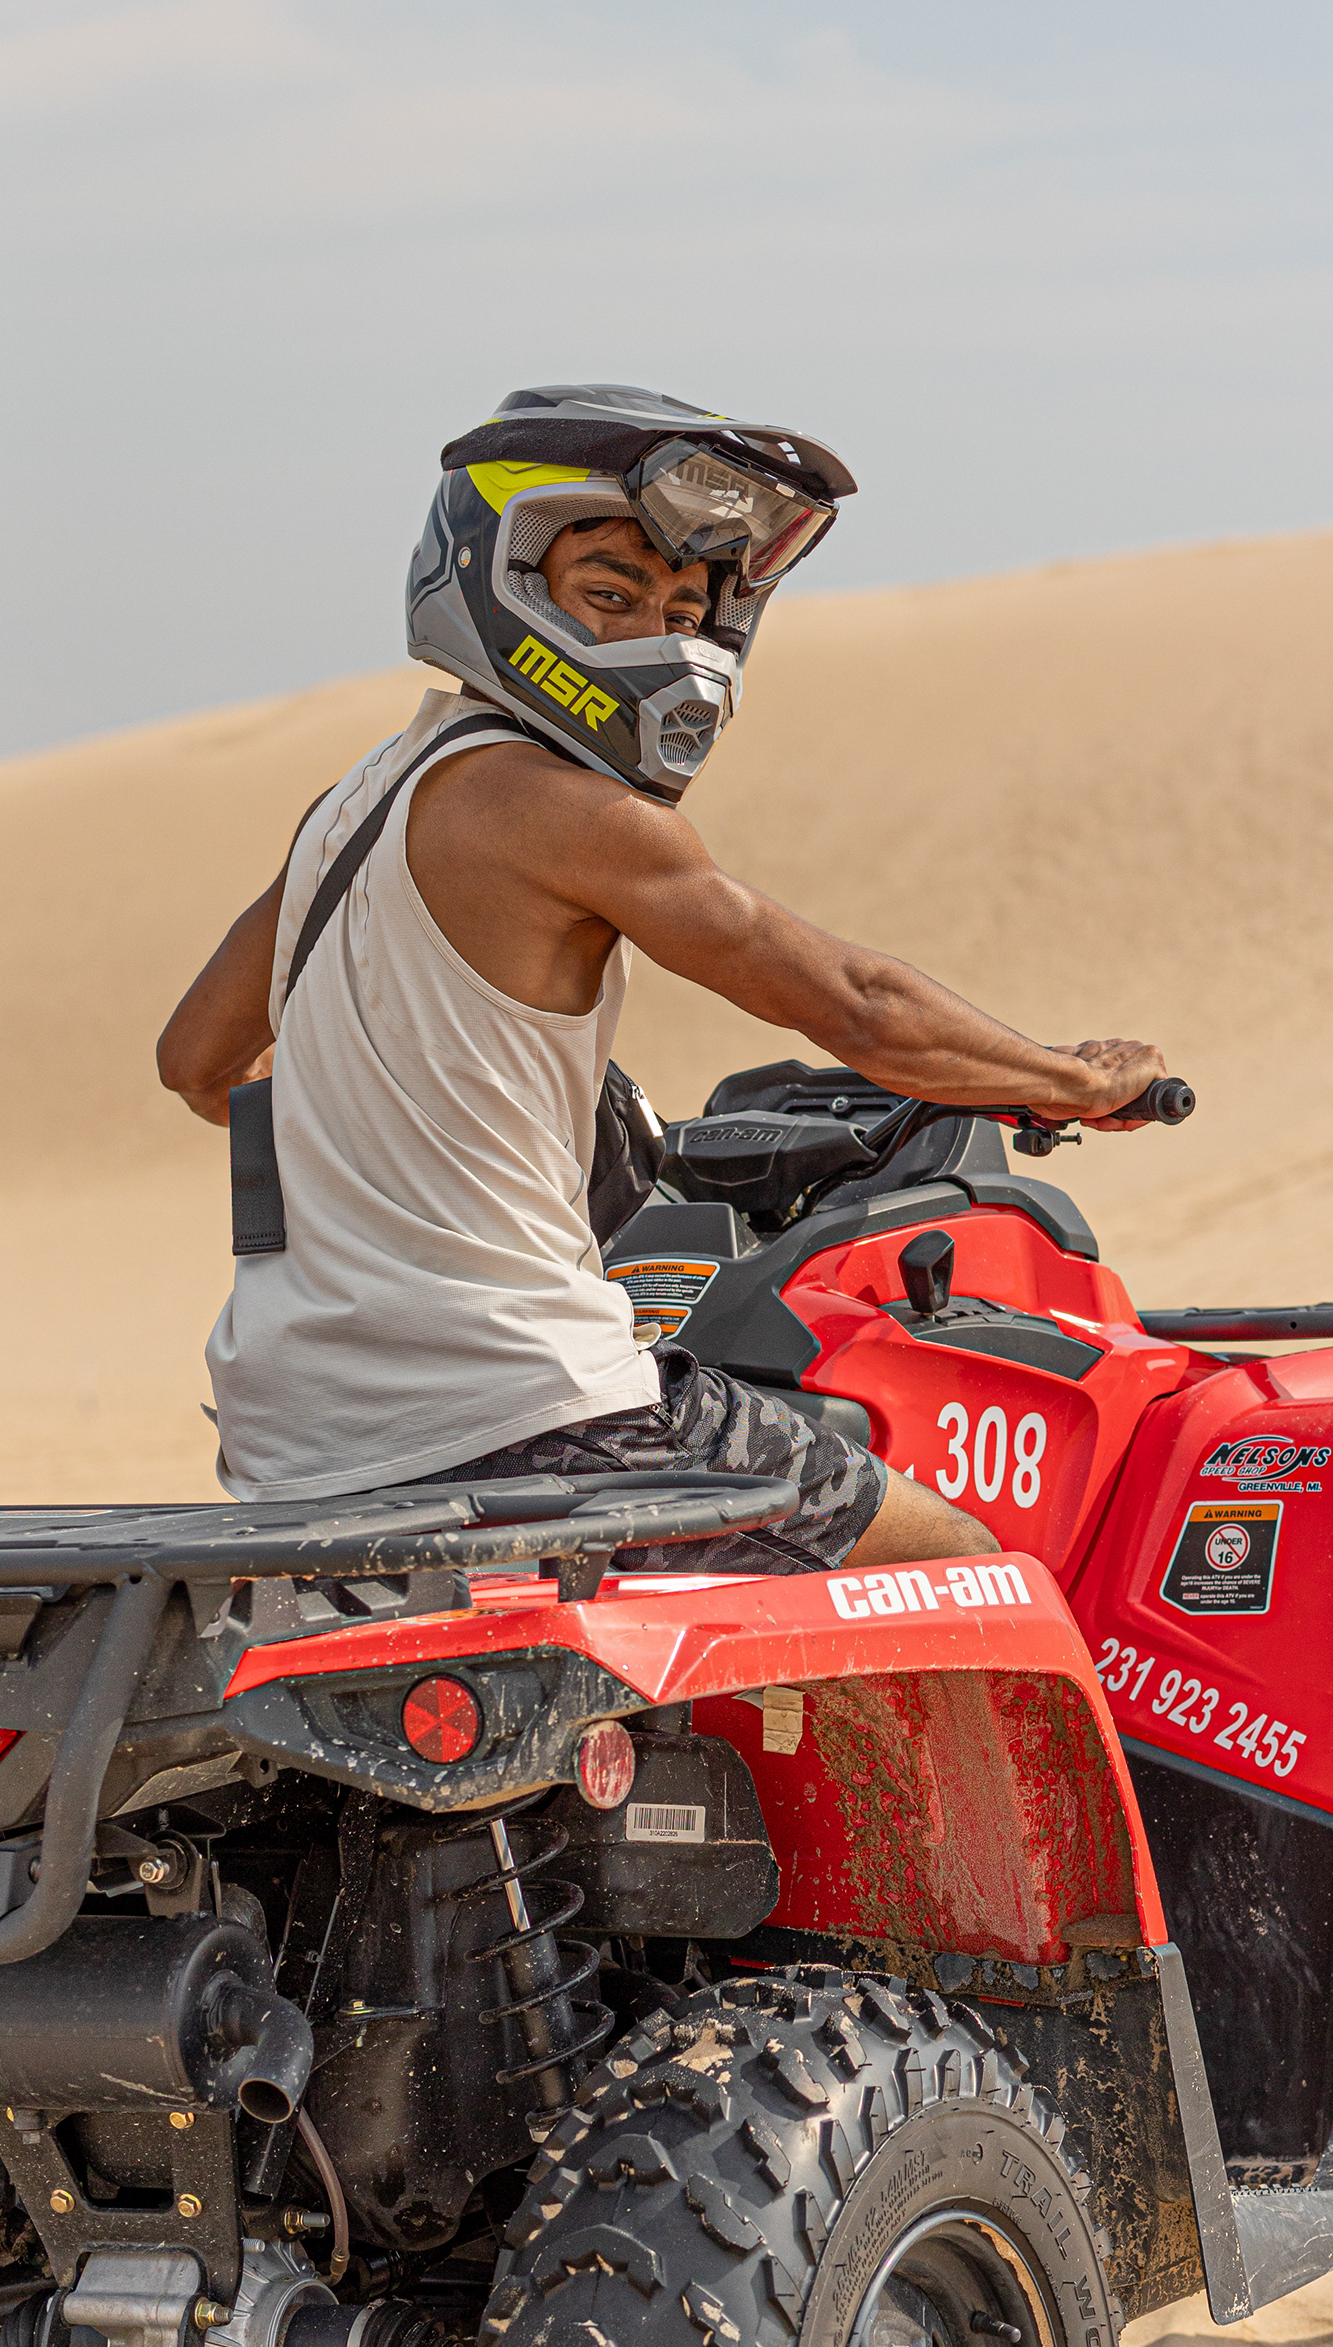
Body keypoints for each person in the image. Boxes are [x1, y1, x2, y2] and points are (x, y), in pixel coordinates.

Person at [158, 383, 1168, 1576]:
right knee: (957, 1567)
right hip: (525, 1407)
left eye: (686, 608)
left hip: (294, 1434)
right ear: (500, 580)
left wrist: (414, 1118)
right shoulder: (573, 814)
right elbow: (859, 1007)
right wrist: (1070, 1079)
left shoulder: (353, 804)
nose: (662, 636)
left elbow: (200, 1065)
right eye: (610, 594)